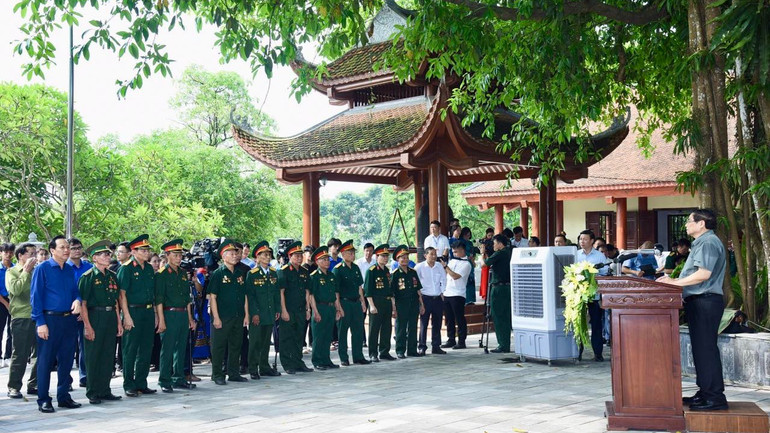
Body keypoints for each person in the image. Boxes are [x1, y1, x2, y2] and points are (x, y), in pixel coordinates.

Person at [657, 209, 728, 411]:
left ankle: (714, 397)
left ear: (701, 224)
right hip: (699, 301)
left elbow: (703, 274)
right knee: (701, 349)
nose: (686, 224)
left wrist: (675, 282)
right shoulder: (703, 242)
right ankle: (705, 392)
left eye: (689, 221)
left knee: (706, 350)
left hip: (705, 300)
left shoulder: (708, 242)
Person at [30, 235, 82, 413]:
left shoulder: (68, 269)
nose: (67, 250)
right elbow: (35, 297)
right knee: (45, 361)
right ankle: (43, 399)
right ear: (52, 250)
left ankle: (64, 397)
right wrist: (40, 322)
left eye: (68, 247)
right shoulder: (43, 269)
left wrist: (78, 300)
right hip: (49, 320)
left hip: (68, 320)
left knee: (67, 360)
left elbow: (76, 291)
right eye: (62, 247)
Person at [79, 240, 124, 404]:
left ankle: (105, 390)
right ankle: (93, 391)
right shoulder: (88, 277)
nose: (108, 257)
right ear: (95, 258)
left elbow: (116, 302)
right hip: (94, 316)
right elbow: (83, 303)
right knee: (94, 355)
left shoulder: (112, 276)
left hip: (110, 317)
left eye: (108, 254)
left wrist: (119, 323)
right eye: (105, 254)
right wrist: (87, 326)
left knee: (108, 354)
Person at [117, 234, 157, 396]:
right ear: (134, 251)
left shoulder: (148, 268)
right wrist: (126, 316)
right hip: (132, 311)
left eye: (148, 250)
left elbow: (153, 293)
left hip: (147, 311)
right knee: (130, 349)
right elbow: (122, 295)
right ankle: (128, 383)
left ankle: (141, 382)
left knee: (146, 348)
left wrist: (154, 314)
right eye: (143, 250)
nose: (147, 253)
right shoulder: (126, 268)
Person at [154, 239, 197, 393]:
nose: (179, 258)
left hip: (182, 314)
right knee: (168, 348)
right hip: (168, 313)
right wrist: (161, 320)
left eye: (180, 255)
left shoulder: (184, 274)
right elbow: (158, 299)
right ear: (167, 255)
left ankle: (178, 378)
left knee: (181, 348)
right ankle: (164, 379)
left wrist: (190, 318)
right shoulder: (161, 274)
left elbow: (187, 299)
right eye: (175, 255)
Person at [208, 239, 249, 385]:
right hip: (222, 316)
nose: (235, 255)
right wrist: (216, 318)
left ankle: (233, 373)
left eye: (236, 253)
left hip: (237, 315)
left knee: (235, 345)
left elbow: (244, 296)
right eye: (231, 253)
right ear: (223, 256)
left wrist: (246, 315)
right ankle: (217, 374)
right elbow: (212, 297)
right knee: (219, 346)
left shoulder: (240, 273)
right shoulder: (218, 274)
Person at [6, 243, 38, 399]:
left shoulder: (38, 271)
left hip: (39, 317)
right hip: (21, 317)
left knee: (40, 353)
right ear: (20, 255)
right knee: (20, 353)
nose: (34, 257)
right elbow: (15, 290)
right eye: (31, 253)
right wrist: (25, 271)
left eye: (35, 253)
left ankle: (34, 384)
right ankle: (14, 386)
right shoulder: (11, 272)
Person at [245, 241, 282, 379]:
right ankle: (253, 368)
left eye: (269, 255)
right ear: (258, 257)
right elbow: (251, 296)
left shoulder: (273, 273)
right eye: (264, 255)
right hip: (258, 314)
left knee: (266, 341)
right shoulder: (252, 274)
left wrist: (277, 309)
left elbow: (276, 293)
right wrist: (253, 313)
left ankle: (264, 366)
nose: (268, 257)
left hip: (270, 312)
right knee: (255, 342)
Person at [277, 241, 314, 374]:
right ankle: (287, 363)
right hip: (288, 309)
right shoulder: (284, 271)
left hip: (300, 309)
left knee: (299, 336)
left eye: (300, 255)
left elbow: (307, 292)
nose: (299, 258)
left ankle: (298, 361)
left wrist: (308, 309)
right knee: (286, 337)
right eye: (296, 255)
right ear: (290, 256)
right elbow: (281, 292)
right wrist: (283, 310)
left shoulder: (304, 271)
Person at [333, 240, 370, 366]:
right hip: (344, 303)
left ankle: (358, 356)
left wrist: (362, 302)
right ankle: (343, 357)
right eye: (349, 253)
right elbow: (336, 291)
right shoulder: (338, 270)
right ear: (343, 254)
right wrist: (338, 307)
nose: (352, 255)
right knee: (343, 331)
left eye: (353, 253)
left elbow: (360, 286)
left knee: (358, 330)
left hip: (356, 303)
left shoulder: (355, 268)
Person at [576, 229, 609, 361]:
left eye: (584, 239)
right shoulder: (576, 254)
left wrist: (594, 275)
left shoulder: (599, 256)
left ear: (591, 241)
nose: (582, 242)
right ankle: (578, 351)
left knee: (596, 324)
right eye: (580, 239)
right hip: (579, 294)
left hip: (594, 295)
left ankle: (598, 352)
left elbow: (605, 271)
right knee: (579, 324)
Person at [308, 246, 341, 370]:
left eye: (327, 259)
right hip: (320, 307)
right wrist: (315, 312)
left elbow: (335, 294)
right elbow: (311, 296)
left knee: (328, 335)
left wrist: (338, 309)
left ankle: (326, 359)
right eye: (323, 259)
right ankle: (317, 360)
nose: (327, 261)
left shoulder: (331, 276)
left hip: (330, 308)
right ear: (317, 261)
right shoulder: (314, 276)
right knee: (318, 336)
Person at [67, 237, 92, 389]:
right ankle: (66, 379)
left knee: (85, 345)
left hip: (87, 312)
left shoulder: (88, 267)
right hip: (69, 311)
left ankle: (84, 376)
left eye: (79, 247)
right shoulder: (65, 267)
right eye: (73, 248)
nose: (77, 250)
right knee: (68, 347)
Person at [390, 245, 424, 358]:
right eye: (402, 258)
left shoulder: (413, 272)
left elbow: (418, 289)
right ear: (397, 260)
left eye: (406, 257)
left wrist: (422, 304)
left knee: (413, 327)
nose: (405, 260)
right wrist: (393, 308)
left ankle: (412, 350)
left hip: (413, 303)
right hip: (401, 304)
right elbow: (392, 294)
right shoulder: (395, 274)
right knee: (400, 328)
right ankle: (400, 350)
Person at [365, 244, 397, 362]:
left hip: (387, 302)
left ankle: (384, 352)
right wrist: (372, 305)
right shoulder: (371, 271)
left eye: (386, 256)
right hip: (376, 302)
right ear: (376, 257)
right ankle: (373, 353)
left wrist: (393, 307)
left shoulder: (387, 271)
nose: (385, 258)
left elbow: (390, 290)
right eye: (382, 256)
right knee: (374, 329)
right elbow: (368, 291)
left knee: (386, 328)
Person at [415, 247, 446, 355]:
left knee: (437, 323)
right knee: (424, 323)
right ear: (425, 255)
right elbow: (416, 283)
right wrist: (419, 299)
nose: (434, 256)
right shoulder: (419, 267)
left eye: (435, 254)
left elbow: (444, 279)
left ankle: (436, 346)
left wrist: (442, 292)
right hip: (425, 298)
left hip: (437, 298)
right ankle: (422, 346)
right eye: (431, 254)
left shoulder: (439, 266)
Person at [441, 242, 472, 350]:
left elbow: (455, 276)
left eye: (455, 251)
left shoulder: (466, 264)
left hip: (458, 293)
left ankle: (462, 341)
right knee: (449, 318)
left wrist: (445, 266)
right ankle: (451, 339)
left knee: (459, 318)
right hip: (447, 292)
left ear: (462, 250)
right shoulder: (452, 260)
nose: (453, 253)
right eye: (453, 251)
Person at [485, 234, 512, 353]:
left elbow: (485, 263)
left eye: (495, 243)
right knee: (506, 316)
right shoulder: (510, 252)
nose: (493, 245)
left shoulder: (500, 253)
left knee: (498, 316)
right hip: (508, 287)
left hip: (499, 288)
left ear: (500, 244)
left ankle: (502, 344)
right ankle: (505, 343)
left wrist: (482, 254)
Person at [0, 243, 15, 368]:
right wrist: (5, 303)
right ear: (1, 253)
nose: (8, 255)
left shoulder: (15, 269)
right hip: (1, 300)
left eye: (10, 252)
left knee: (12, 330)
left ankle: (8, 356)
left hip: (14, 300)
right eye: (6, 252)